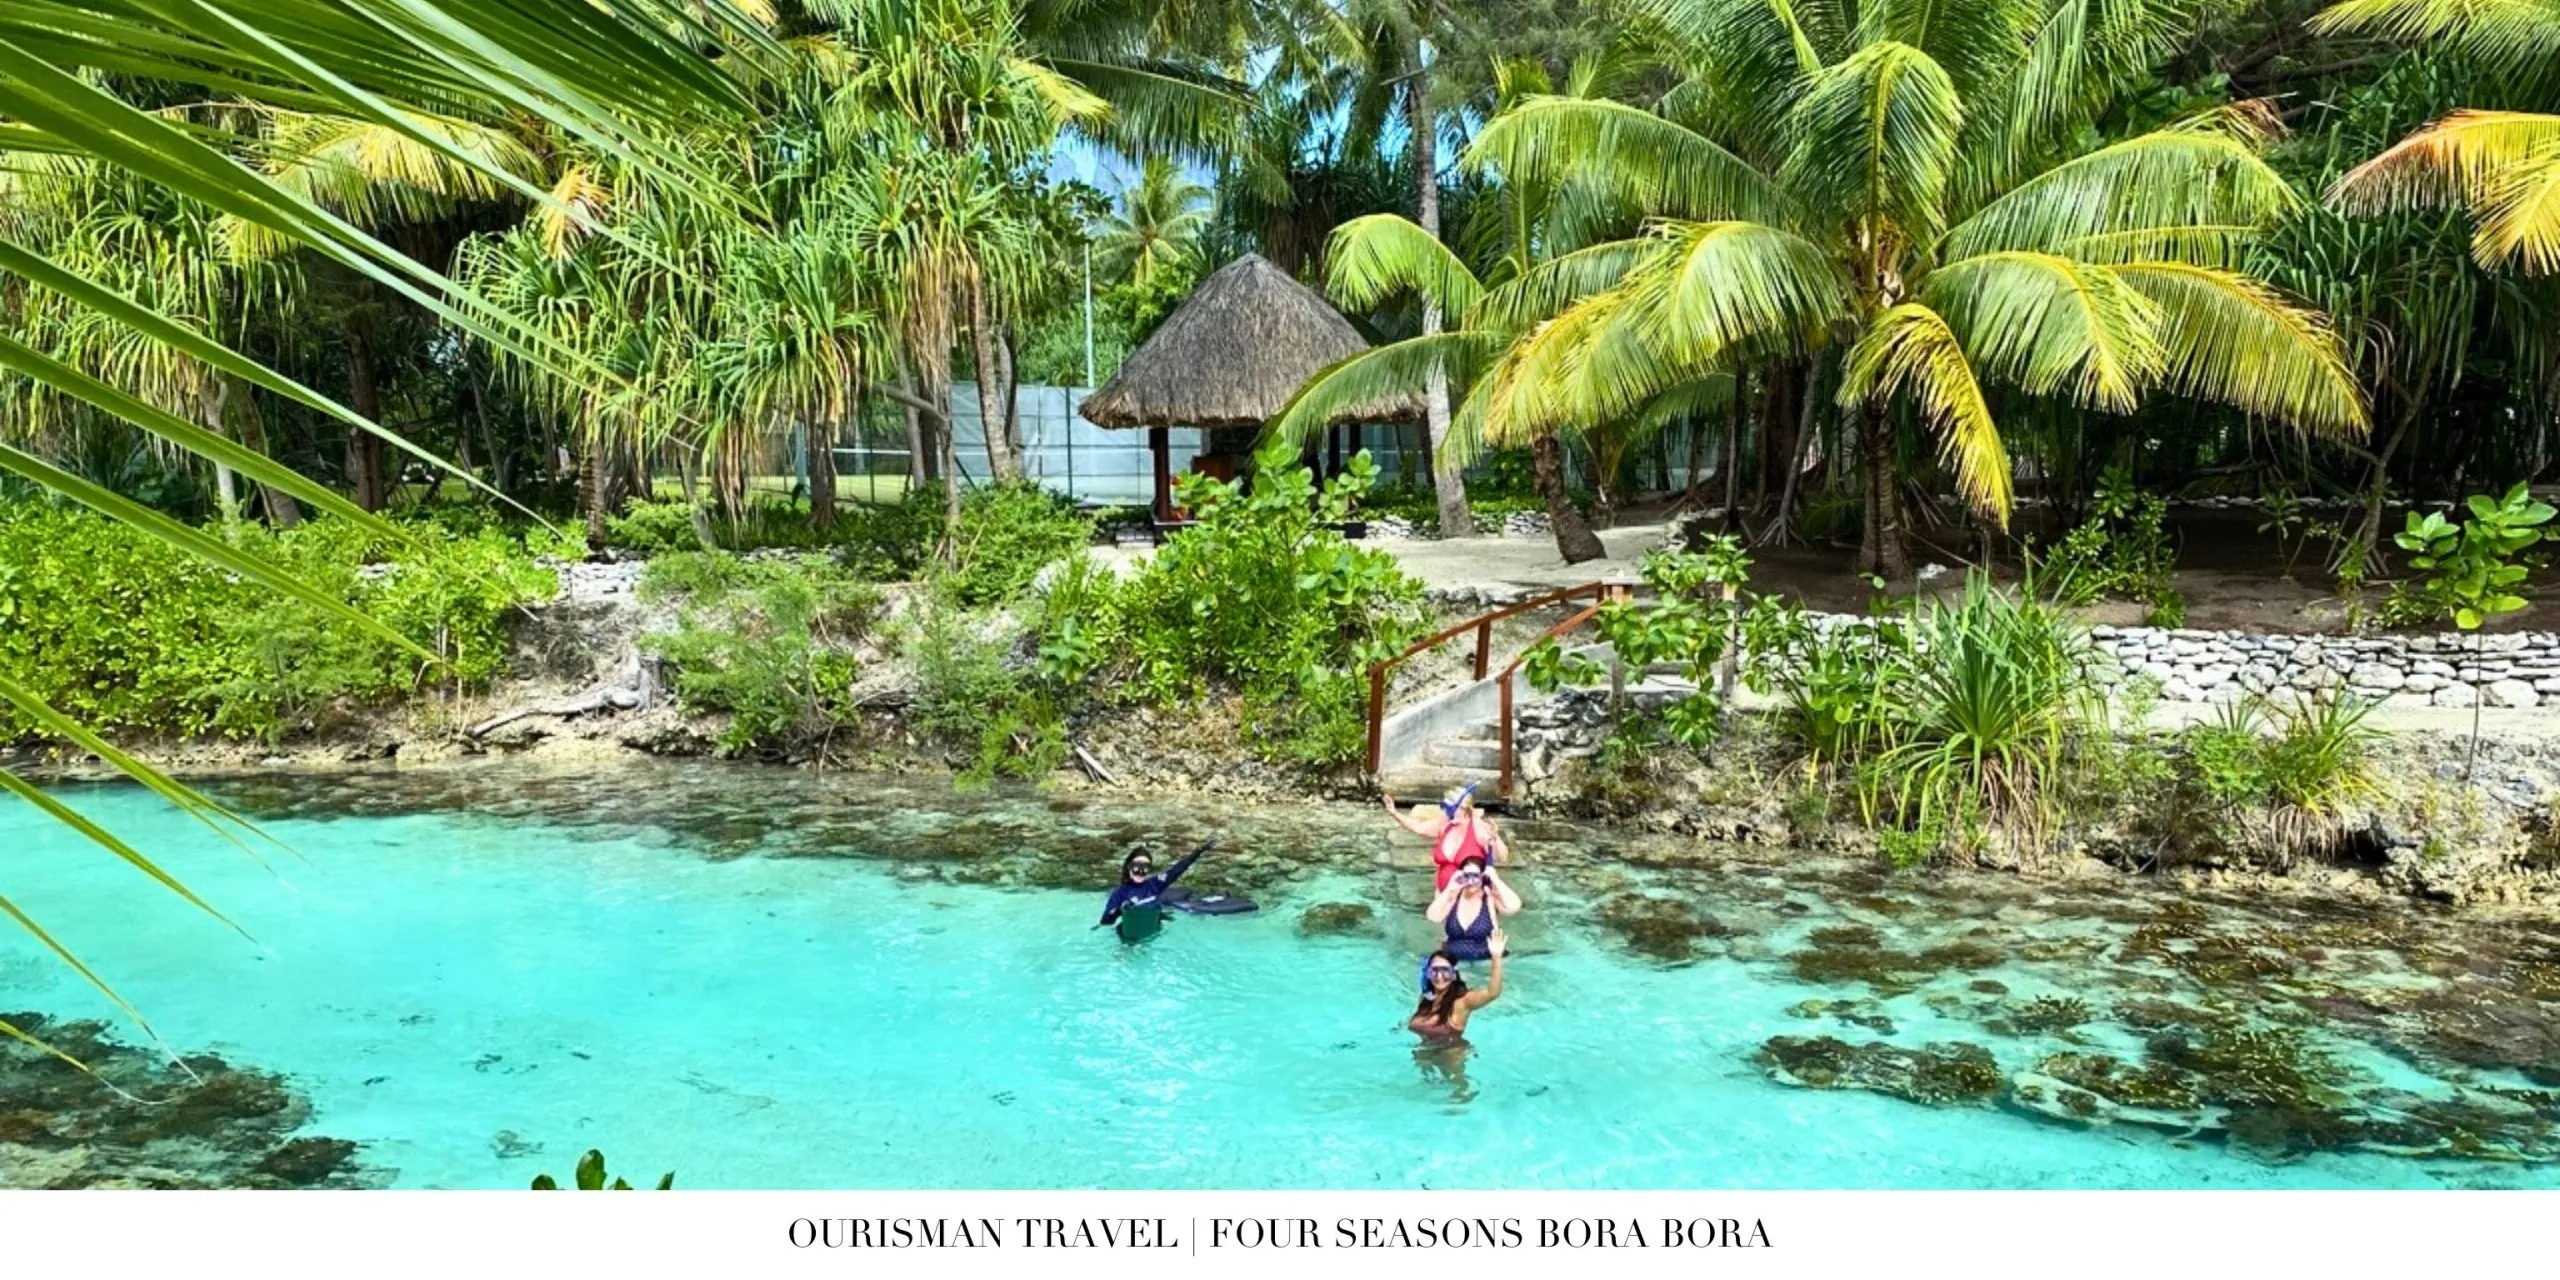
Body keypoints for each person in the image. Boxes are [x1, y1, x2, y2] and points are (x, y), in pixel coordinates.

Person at [1381, 783, 1509, 892]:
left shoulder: (1479, 827)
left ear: (1466, 809)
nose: (1448, 814)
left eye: (1452, 810)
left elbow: (1502, 857)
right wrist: (1394, 812)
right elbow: (1418, 827)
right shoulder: (1445, 823)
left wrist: (1496, 838)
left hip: (1470, 900)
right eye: (1446, 809)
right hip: (1444, 899)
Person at [1095, 841, 1210, 945]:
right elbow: (1106, 921)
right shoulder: (1120, 893)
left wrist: (1198, 851)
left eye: (1145, 867)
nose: (1140, 871)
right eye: (1136, 866)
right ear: (1128, 867)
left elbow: (1177, 870)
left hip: (1155, 933)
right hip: (1130, 939)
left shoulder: (1155, 884)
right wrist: (1119, 910)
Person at [1408, 932, 1506, 1043]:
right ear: (1428, 974)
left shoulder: (1462, 1002)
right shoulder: (1426, 997)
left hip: (1450, 1056)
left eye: (1445, 971)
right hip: (1423, 1054)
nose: (1439, 977)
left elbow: (1492, 993)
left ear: (1454, 975)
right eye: (1434, 971)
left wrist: (1496, 957)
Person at [1425, 855, 1520, 963]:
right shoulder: (1453, 896)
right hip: (1454, 962)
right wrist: (1449, 888)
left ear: (1483, 876)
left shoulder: (1490, 897)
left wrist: (1495, 879)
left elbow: (1514, 907)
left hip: (1486, 962)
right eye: (1467, 876)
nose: (1470, 881)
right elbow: (1433, 917)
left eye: (1475, 876)